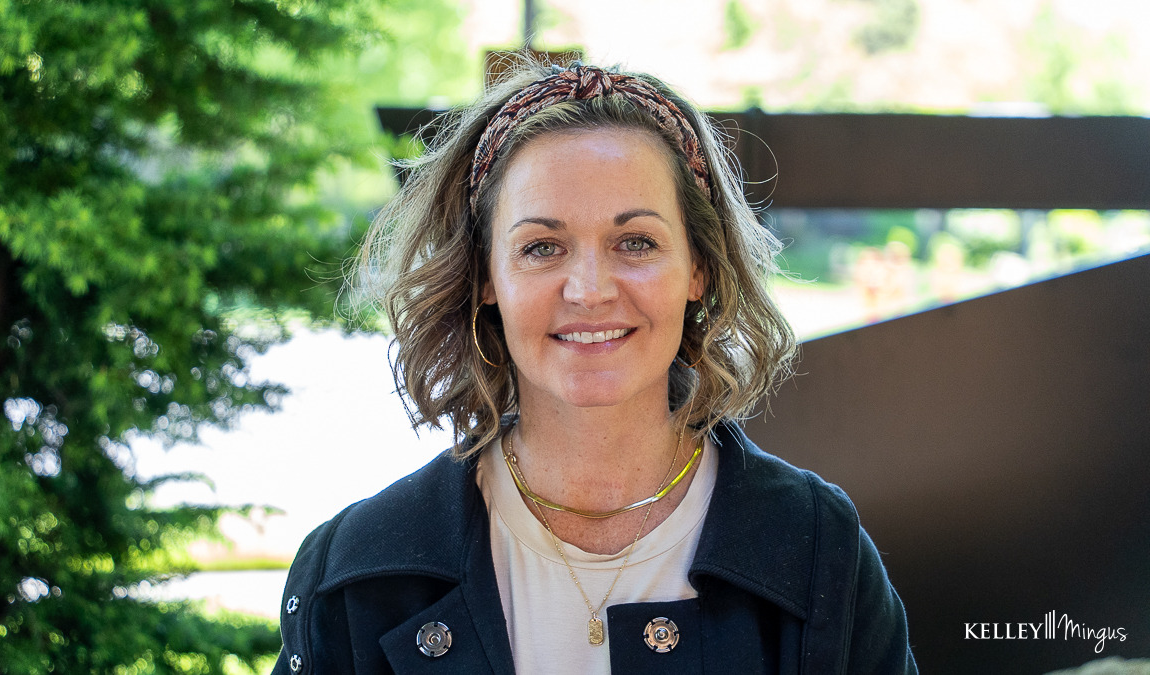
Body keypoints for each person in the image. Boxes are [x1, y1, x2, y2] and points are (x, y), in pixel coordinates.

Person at [273, 61, 917, 674]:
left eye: (635, 242)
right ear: (485, 276)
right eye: (541, 247)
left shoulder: (818, 552)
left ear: (698, 267)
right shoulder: (356, 575)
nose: (589, 290)